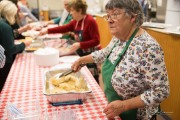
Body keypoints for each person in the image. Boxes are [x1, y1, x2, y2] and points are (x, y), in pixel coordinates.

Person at [71, 0, 170, 119]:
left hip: (136, 115)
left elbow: (161, 91)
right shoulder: (119, 38)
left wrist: (124, 106)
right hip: (115, 109)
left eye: (116, 14)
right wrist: (82, 60)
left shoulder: (148, 48)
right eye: (108, 16)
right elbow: (105, 53)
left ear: (133, 17)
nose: (110, 20)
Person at [40, 0, 100, 83]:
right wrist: (47, 31)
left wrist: (80, 44)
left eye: (72, 10)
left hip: (89, 56)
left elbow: (96, 41)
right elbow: (63, 28)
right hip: (79, 54)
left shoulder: (90, 21)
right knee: (81, 77)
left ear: (79, 10)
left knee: (92, 79)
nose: (70, 13)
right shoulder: (76, 21)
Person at [0, 0, 32, 92]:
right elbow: (11, 50)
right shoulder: (5, 26)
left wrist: (22, 30)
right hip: (4, 63)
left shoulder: (2, 23)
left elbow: (7, 37)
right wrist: (24, 44)